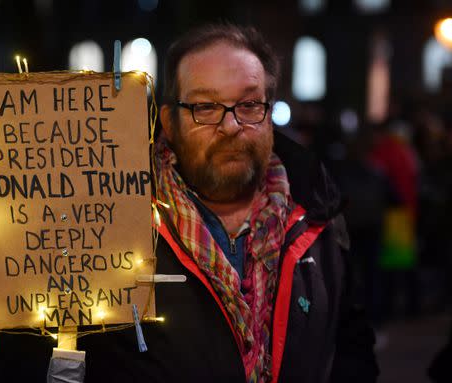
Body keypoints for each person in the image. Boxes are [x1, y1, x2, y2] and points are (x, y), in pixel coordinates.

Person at [77, 23, 379, 383]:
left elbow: (351, 356)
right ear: (169, 123)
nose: (231, 125)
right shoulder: (108, 226)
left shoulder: (320, 222)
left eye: (249, 104)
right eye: (205, 107)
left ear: (268, 116)